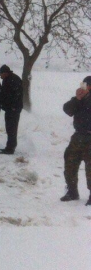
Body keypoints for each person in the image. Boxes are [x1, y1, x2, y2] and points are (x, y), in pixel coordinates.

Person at [60, 76, 91, 205]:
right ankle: (72, 191)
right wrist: (78, 99)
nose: (84, 87)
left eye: (86, 85)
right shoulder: (79, 99)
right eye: (83, 84)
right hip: (78, 136)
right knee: (70, 163)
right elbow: (67, 109)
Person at [0, 64, 23, 154]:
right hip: (9, 108)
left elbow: (16, 95)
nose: (0, 75)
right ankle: (9, 146)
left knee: (12, 129)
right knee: (9, 128)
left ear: (5, 73)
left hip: (13, 109)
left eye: (0, 73)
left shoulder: (14, 80)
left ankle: (10, 148)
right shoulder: (7, 79)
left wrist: (12, 107)